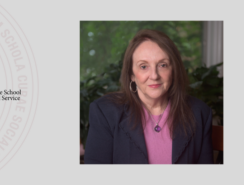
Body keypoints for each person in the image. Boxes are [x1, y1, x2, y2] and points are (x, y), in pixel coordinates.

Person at [84, 29, 213, 164]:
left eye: (163, 65)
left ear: (174, 70)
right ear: (131, 75)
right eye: (144, 66)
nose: (154, 76)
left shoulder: (200, 113)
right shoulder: (105, 113)